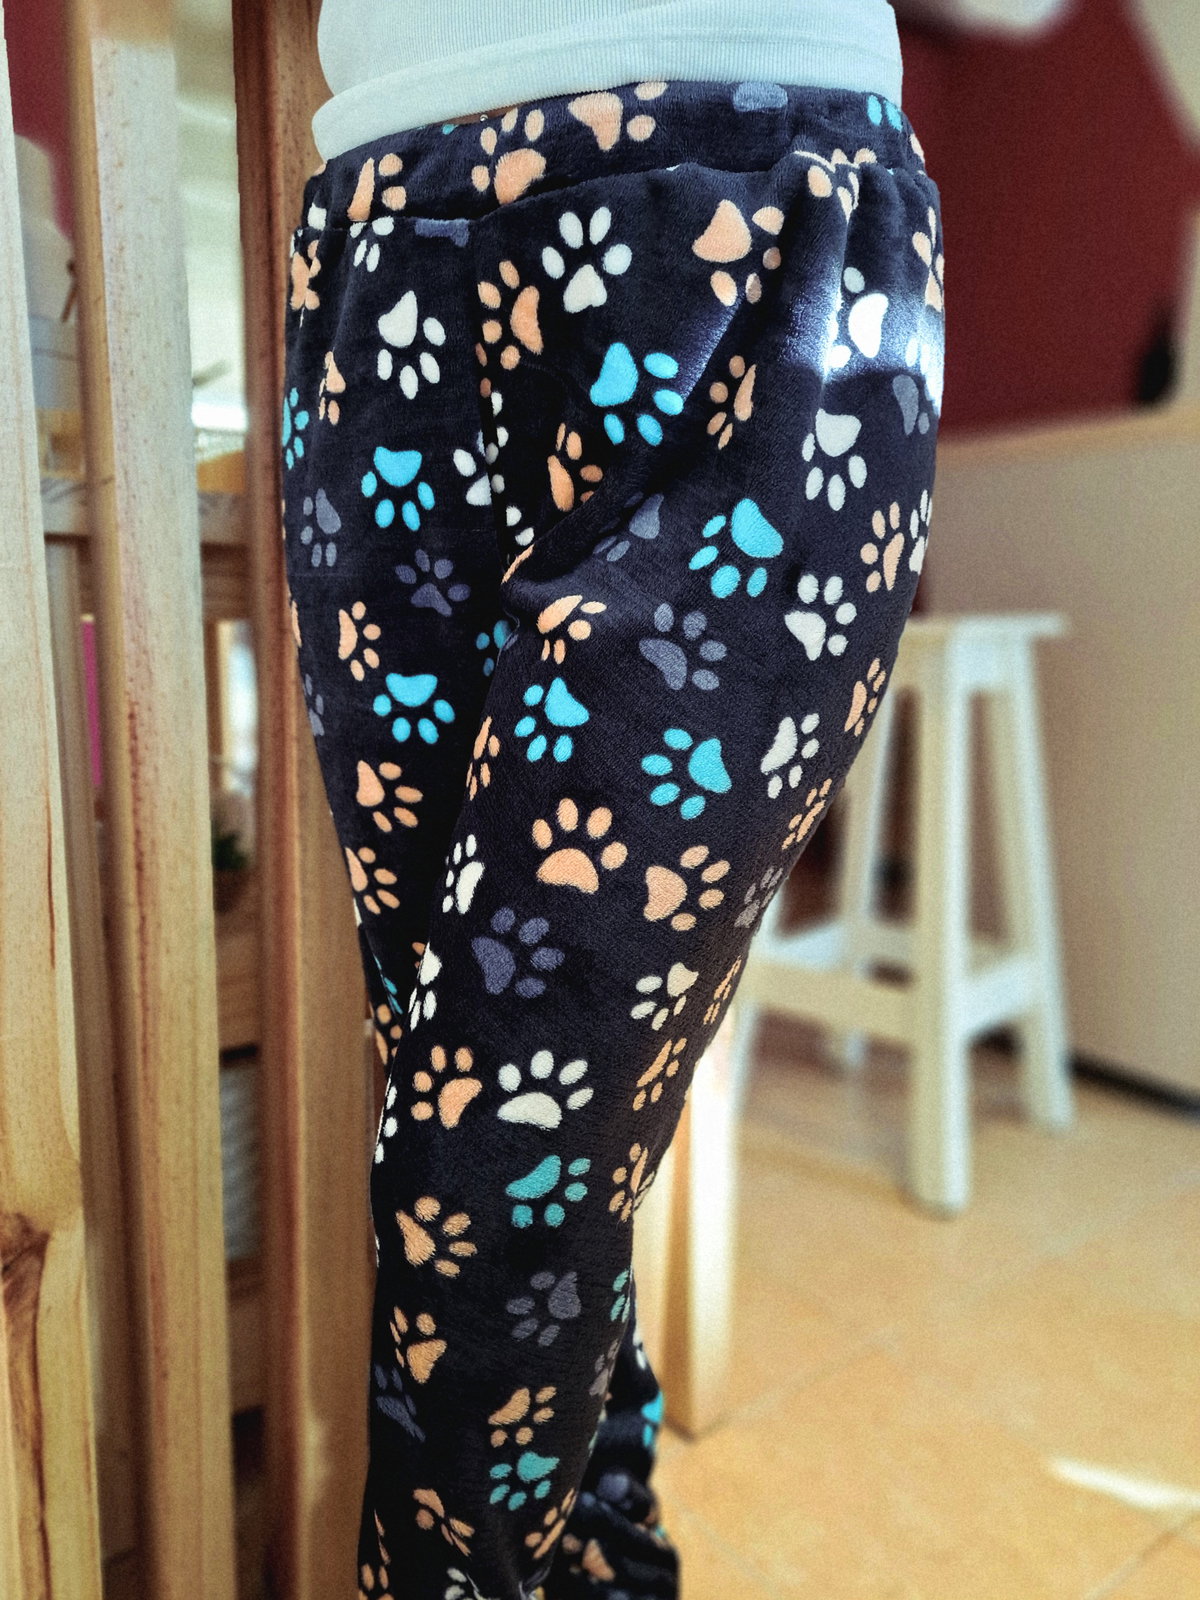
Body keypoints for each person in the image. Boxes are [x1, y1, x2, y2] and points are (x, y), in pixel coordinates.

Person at [279, 5, 943, 1598]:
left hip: (767, 206)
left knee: (512, 1129)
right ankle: (595, 1553)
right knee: (482, 1094)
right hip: (380, 245)